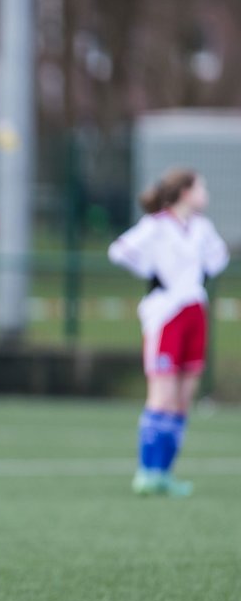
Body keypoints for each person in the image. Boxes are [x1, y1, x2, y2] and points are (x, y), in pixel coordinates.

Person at [108, 168, 229, 497]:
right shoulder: (156, 225)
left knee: (183, 398)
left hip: (195, 312)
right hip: (166, 315)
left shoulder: (202, 228)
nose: (205, 192)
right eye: (200, 186)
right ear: (185, 191)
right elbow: (119, 250)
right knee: (161, 396)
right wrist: (153, 271)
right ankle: (146, 471)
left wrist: (200, 271)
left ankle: (164, 473)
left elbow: (219, 259)